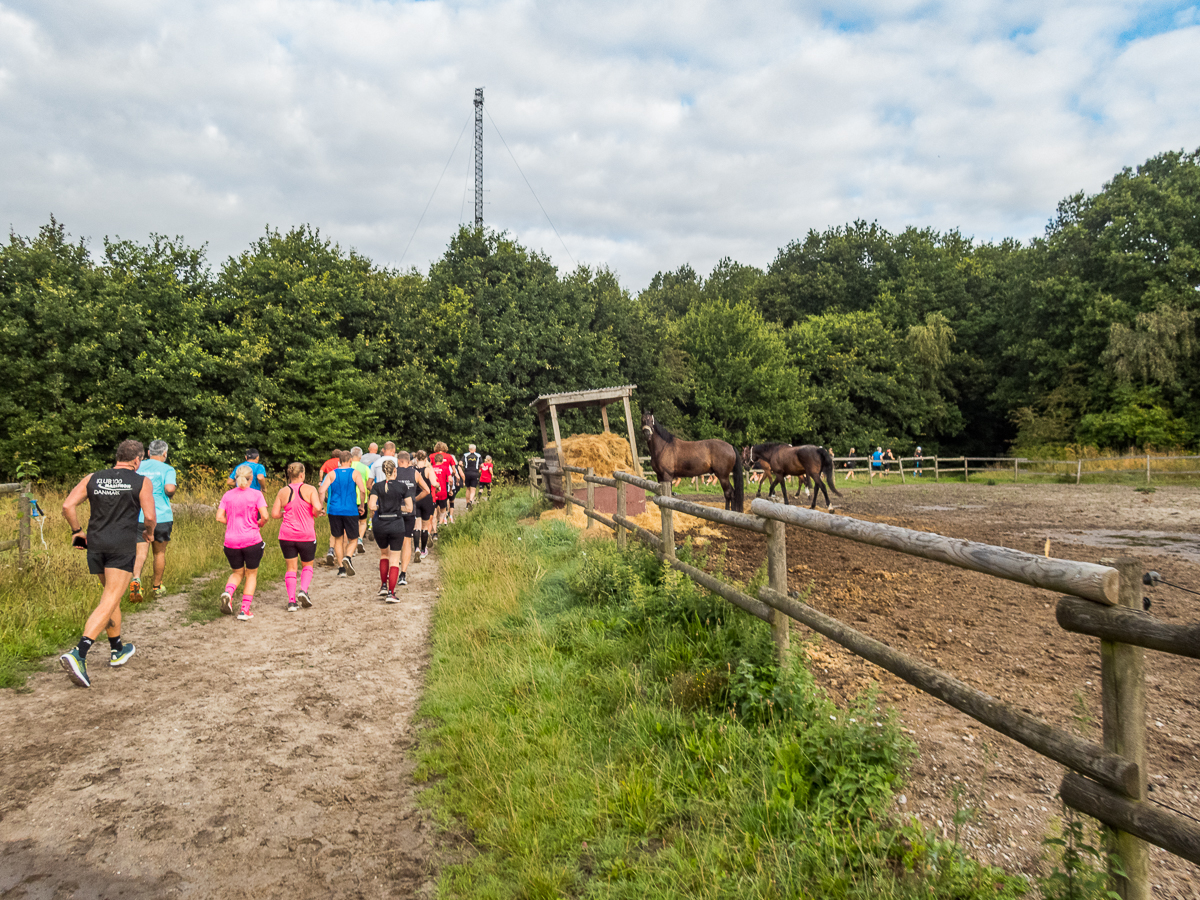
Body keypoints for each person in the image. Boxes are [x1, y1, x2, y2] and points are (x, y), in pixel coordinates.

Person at [59, 439, 156, 688]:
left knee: (109, 595)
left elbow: (68, 505)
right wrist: (149, 533)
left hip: (95, 544)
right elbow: (151, 517)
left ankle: (117, 649)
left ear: (118, 457)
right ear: (138, 460)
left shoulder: (94, 477)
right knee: (110, 598)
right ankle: (79, 653)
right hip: (121, 546)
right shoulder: (141, 481)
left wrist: (77, 531)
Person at [369, 456, 429, 601]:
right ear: (395, 471)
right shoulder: (402, 487)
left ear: (384, 472)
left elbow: (371, 506)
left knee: (384, 555)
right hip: (396, 524)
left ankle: (383, 586)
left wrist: (381, 508)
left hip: (380, 524)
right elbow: (409, 508)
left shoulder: (377, 487)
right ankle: (391, 593)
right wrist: (397, 508)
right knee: (395, 560)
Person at [218, 464, 269, 620]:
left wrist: (232, 523)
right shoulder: (256, 494)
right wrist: (259, 523)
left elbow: (219, 517)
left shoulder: (227, 495)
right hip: (252, 540)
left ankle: (228, 592)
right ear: (251, 478)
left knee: (237, 572)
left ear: (235, 477)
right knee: (251, 574)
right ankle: (244, 610)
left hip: (231, 541)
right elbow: (265, 516)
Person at [271, 462, 323, 611]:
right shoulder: (310, 489)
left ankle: (291, 602)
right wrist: (316, 512)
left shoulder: (282, 491)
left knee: (291, 568)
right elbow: (317, 508)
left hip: (286, 536)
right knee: (307, 566)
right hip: (306, 535)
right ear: (302, 475)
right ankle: (303, 591)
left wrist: (284, 513)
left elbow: (274, 514)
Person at [131, 439, 176, 602]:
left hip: (139, 516)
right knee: (159, 552)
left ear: (148, 453)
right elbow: (170, 488)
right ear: (165, 454)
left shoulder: (138, 466)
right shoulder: (168, 469)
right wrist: (170, 493)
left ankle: (136, 580)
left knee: (140, 552)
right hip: (161, 517)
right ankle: (156, 587)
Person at [320, 450, 366, 577]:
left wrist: (320, 507)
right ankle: (348, 557)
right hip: (350, 510)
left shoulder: (331, 474)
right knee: (354, 538)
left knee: (338, 539)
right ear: (350, 460)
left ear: (339, 461)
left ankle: (341, 569)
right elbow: (362, 490)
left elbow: (321, 490)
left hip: (334, 510)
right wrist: (361, 505)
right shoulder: (355, 473)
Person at [319, 448, 342, 565]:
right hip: (347, 507)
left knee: (334, 530)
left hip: (332, 504)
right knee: (344, 533)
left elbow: (321, 471)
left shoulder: (329, 470)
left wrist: (320, 480)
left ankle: (331, 550)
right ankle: (344, 558)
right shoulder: (349, 472)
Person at [413, 449, 437, 558]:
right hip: (427, 499)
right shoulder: (428, 470)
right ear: (426, 458)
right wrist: (439, 487)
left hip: (416, 498)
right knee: (425, 526)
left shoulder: (412, 470)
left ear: (416, 459)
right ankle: (423, 550)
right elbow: (433, 483)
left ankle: (416, 548)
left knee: (416, 525)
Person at [350, 447, 372, 555]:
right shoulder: (365, 468)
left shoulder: (346, 466)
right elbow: (368, 484)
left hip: (349, 499)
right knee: (362, 521)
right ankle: (360, 539)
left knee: (352, 522)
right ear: (360, 456)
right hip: (362, 498)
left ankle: (352, 547)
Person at [461, 444, 483, 508]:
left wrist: (463, 466)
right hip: (475, 473)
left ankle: (467, 504)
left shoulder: (465, 455)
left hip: (467, 473)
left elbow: (460, 462)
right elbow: (481, 465)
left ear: (469, 449)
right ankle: (470, 501)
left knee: (468, 488)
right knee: (473, 489)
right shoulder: (478, 455)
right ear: (475, 449)